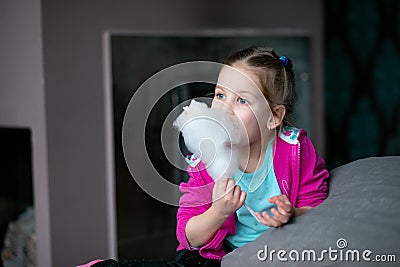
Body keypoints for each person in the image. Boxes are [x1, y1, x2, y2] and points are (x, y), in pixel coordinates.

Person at [79, 46, 329, 267]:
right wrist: (219, 210)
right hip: (217, 257)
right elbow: (188, 236)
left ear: (273, 117)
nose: (224, 107)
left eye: (242, 100)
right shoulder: (204, 161)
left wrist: (292, 213)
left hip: (277, 253)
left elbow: (319, 206)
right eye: (220, 95)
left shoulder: (295, 149)